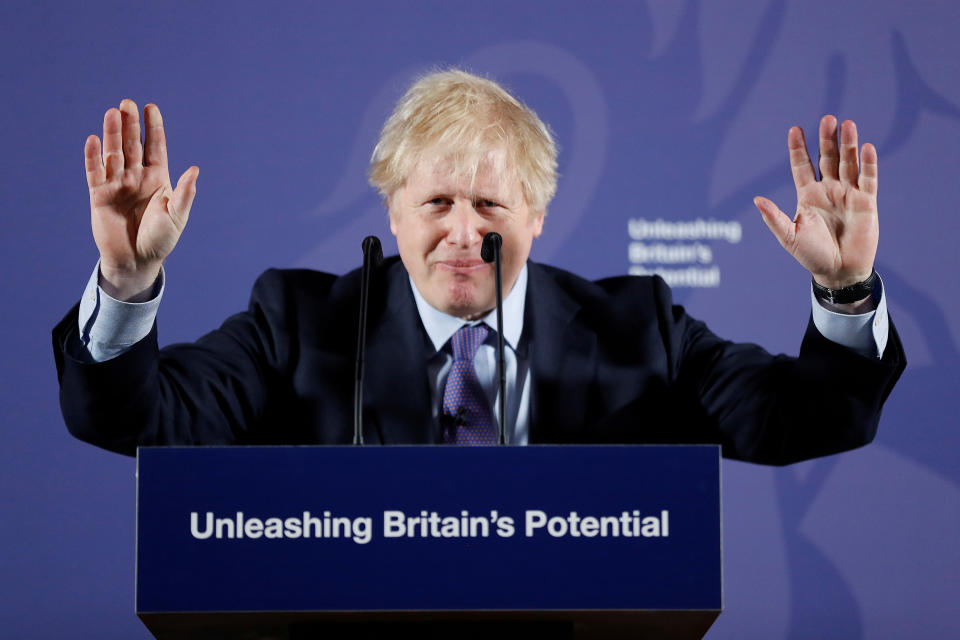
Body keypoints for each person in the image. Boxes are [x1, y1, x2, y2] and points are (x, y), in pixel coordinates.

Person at [53, 69, 904, 463]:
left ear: (538, 215)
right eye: (437, 204)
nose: (464, 231)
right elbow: (137, 423)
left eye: (492, 206)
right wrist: (126, 287)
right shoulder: (298, 325)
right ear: (392, 212)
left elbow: (805, 422)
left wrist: (843, 289)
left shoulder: (637, 327)